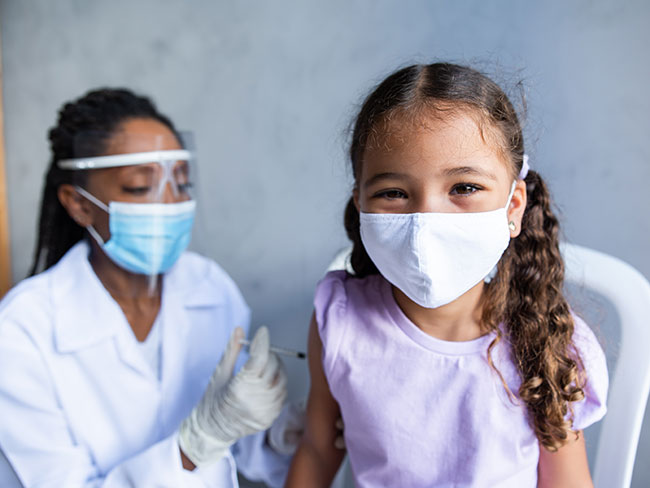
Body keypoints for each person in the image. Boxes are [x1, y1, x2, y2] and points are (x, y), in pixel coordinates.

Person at [286, 63, 608, 487]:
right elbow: (317, 450)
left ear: (513, 207)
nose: (426, 220)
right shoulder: (341, 320)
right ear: (361, 206)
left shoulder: (546, 342)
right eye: (394, 193)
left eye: (464, 188)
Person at [0, 88, 297, 487]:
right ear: (79, 204)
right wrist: (195, 445)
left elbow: (238, 448)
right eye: (142, 187)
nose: (170, 204)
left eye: (181, 184)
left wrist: (278, 436)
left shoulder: (209, 289)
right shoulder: (22, 331)